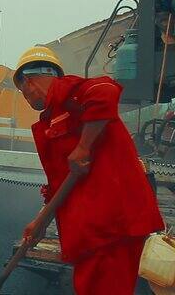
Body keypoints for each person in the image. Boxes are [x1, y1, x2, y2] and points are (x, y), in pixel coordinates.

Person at [14, 46, 164, 295]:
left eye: (23, 93)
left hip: (111, 225)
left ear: (28, 81)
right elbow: (61, 182)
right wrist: (39, 223)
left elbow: (105, 90)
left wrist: (84, 146)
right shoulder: (53, 117)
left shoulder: (67, 91)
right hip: (93, 230)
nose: (27, 99)